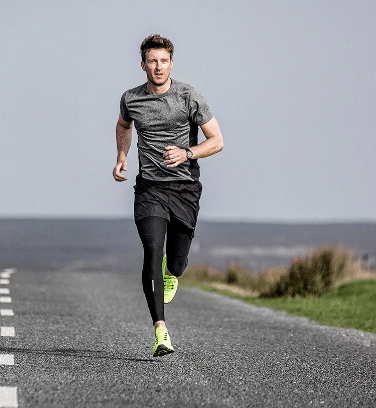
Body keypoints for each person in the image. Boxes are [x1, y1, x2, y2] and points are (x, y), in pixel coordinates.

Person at [113, 34, 223, 357]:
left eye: (164, 61)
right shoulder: (131, 99)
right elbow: (123, 125)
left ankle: (173, 271)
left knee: (174, 261)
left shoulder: (189, 97)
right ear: (143, 64)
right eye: (152, 61)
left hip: (185, 188)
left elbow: (217, 140)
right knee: (151, 249)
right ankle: (160, 330)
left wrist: (188, 154)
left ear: (171, 63)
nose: (158, 67)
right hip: (150, 188)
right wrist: (122, 156)